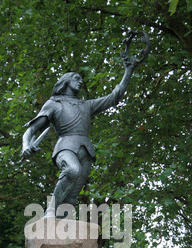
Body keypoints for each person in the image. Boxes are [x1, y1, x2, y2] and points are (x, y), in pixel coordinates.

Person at [22, 34, 147, 217]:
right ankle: (51, 211)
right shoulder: (54, 103)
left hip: (86, 151)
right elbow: (32, 129)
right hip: (65, 147)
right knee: (72, 170)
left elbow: (115, 97)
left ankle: (66, 229)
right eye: (76, 78)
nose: (80, 81)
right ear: (66, 82)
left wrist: (128, 70)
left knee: (72, 196)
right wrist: (26, 145)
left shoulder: (86, 105)